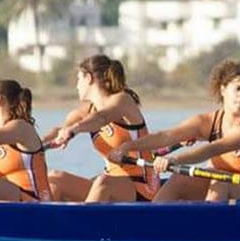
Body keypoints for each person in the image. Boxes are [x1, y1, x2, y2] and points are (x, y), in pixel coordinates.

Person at [108, 60, 240, 203]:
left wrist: (175, 160)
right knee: (180, 178)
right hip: (222, 183)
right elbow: (166, 136)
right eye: (238, 88)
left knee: (219, 182)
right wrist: (127, 146)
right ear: (223, 89)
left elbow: (215, 149)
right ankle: (151, 222)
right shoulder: (207, 121)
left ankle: (208, 233)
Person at [46, 55, 160, 203]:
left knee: (103, 182)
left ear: (88, 78)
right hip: (112, 182)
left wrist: (74, 130)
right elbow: (60, 130)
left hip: (142, 186)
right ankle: (44, 224)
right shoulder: (86, 110)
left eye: (78, 79)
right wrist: (34, 144)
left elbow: (102, 118)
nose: (76, 86)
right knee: (55, 178)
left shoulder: (122, 100)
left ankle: (82, 224)